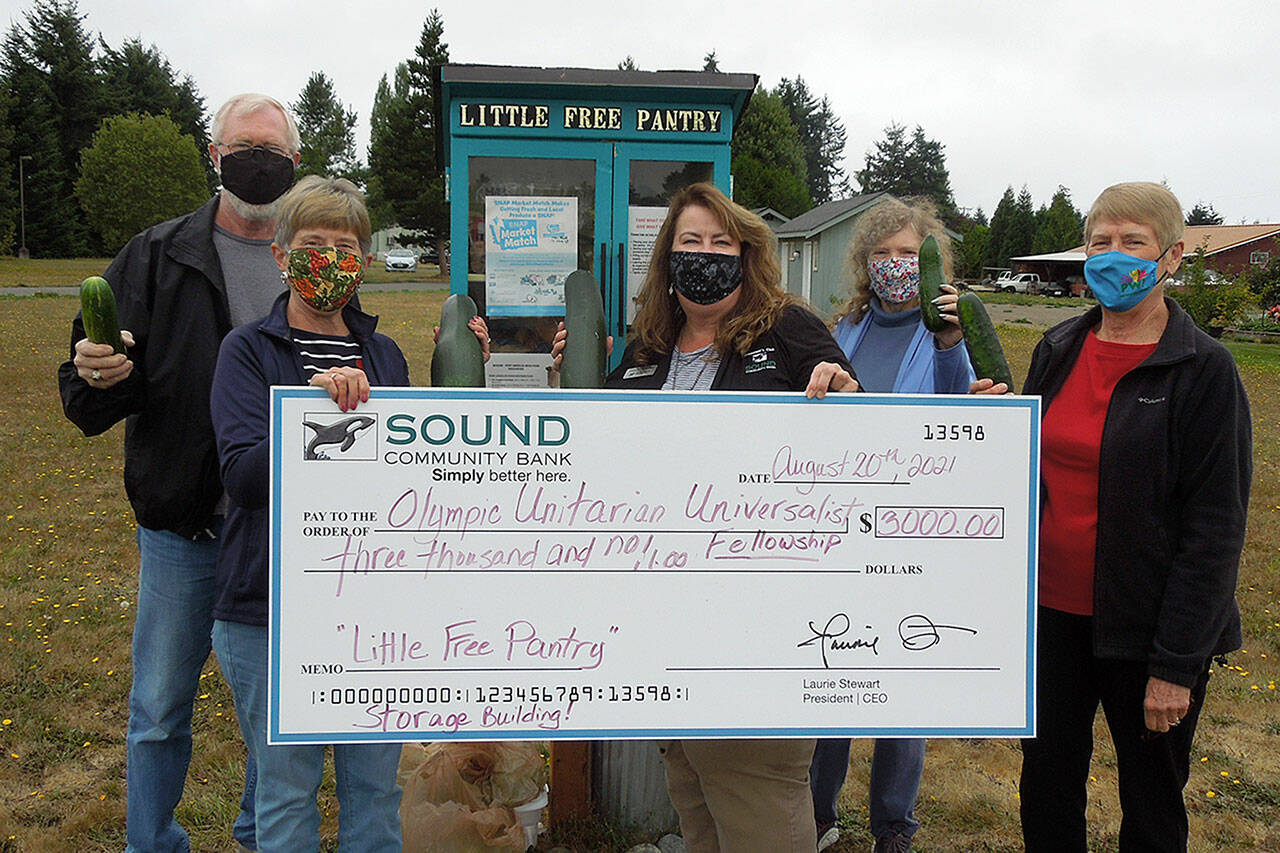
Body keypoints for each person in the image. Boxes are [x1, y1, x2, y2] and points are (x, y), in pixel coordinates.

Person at [554, 182, 858, 852]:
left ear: (748, 256)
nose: (706, 255)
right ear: (667, 257)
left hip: (758, 627)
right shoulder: (645, 349)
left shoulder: (791, 328)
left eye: (722, 243)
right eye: (691, 242)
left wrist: (844, 389)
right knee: (696, 800)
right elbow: (599, 458)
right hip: (666, 624)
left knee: (755, 799)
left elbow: (855, 438)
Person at [57, 92, 302, 852]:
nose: (257, 162)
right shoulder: (155, 255)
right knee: (160, 707)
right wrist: (95, 374)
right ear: (213, 153)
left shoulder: (315, 260)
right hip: (182, 529)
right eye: (243, 146)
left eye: (273, 151)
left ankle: (261, 835)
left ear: (296, 164)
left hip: (278, 530)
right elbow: (89, 387)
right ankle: (150, 841)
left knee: (275, 717)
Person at [1009, 182, 1252, 851]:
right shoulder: (1058, 347)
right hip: (1052, 619)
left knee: (1150, 797)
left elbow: (1215, 527)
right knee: (1048, 780)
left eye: (1132, 242)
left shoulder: (1204, 370)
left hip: (1148, 629)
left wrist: (1176, 663)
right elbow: (1028, 472)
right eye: (1100, 242)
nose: (1113, 256)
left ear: (1171, 255)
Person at [208, 176, 408, 851]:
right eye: (314, 244)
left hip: (369, 610)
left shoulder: (383, 357)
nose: (329, 258)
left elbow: (403, 480)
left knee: (376, 789)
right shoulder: (246, 351)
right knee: (286, 790)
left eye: (345, 245)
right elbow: (241, 475)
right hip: (269, 608)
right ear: (282, 254)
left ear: (363, 261)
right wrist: (316, 409)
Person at [810, 198, 976, 853]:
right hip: (838, 522)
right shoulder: (843, 326)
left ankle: (894, 826)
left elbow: (961, 406)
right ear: (865, 262)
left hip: (911, 527)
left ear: (929, 261)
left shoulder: (946, 335)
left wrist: (951, 338)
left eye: (909, 254)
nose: (895, 265)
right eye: (883, 254)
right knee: (828, 665)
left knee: (901, 681)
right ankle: (818, 812)